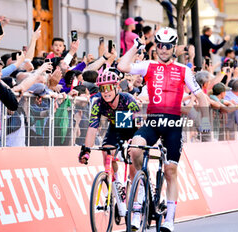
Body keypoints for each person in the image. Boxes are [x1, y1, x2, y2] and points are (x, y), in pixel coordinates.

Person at [118, 27, 210, 232]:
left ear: (174, 47)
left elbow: (201, 96)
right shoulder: (148, 65)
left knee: (171, 170)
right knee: (134, 149)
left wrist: (204, 122)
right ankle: (142, 191)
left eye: (168, 46)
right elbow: (123, 66)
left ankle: (169, 218)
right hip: (152, 121)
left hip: (173, 124)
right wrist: (135, 47)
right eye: (160, 45)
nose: (163, 49)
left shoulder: (183, 70)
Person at [78, 70, 140, 215]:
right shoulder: (97, 102)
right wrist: (86, 150)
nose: (105, 92)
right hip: (115, 126)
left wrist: (134, 140)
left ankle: (137, 194)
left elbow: (139, 123)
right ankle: (117, 184)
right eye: (102, 88)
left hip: (131, 127)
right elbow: (92, 128)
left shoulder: (127, 99)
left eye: (108, 88)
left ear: (116, 87)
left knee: (132, 161)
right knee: (107, 152)